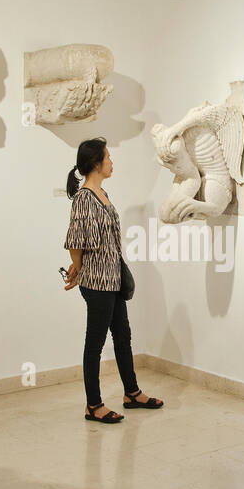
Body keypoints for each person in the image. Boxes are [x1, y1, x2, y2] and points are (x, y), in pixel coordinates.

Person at [63, 137, 163, 422]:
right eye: (108, 157)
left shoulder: (103, 194)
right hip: (96, 283)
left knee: (123, 336)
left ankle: (131, 393)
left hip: (113, 278)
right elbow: (75, 241)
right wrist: (76, 267)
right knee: (94, 343)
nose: (111, 161)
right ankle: (93, 405)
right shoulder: (84, 198)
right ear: (96, 163)